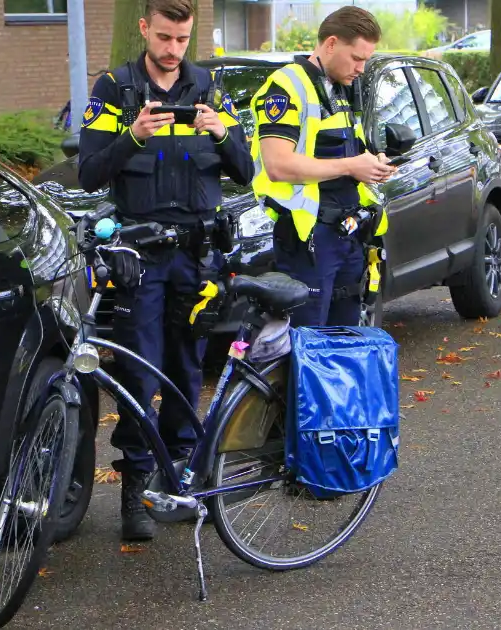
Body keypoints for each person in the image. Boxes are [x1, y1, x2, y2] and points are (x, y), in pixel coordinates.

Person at [76, 0, 253, 542]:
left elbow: (245, 170)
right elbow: (89, 173)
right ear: (144, 28)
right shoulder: (115, 89)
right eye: (164, 37)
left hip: (197, 256)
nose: (173, 49)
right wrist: (132, 136)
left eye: (182, 39)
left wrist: (221, 132)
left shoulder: (208, 87)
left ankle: (177, 479)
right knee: (139, 374)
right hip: (142, 257)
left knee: (187, 368)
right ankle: (134, 491)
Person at [249, 6, 398, 328]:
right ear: (331, 44)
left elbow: (345, 150)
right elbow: (278, 165)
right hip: (309, 241)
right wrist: (351, 166)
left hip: (347, 233)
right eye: (356, 58)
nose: (361, 68)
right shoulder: (286, 87)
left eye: (366, 60)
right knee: (308, 339)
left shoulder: (339, 87)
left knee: (344, 338)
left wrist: (372, 163)